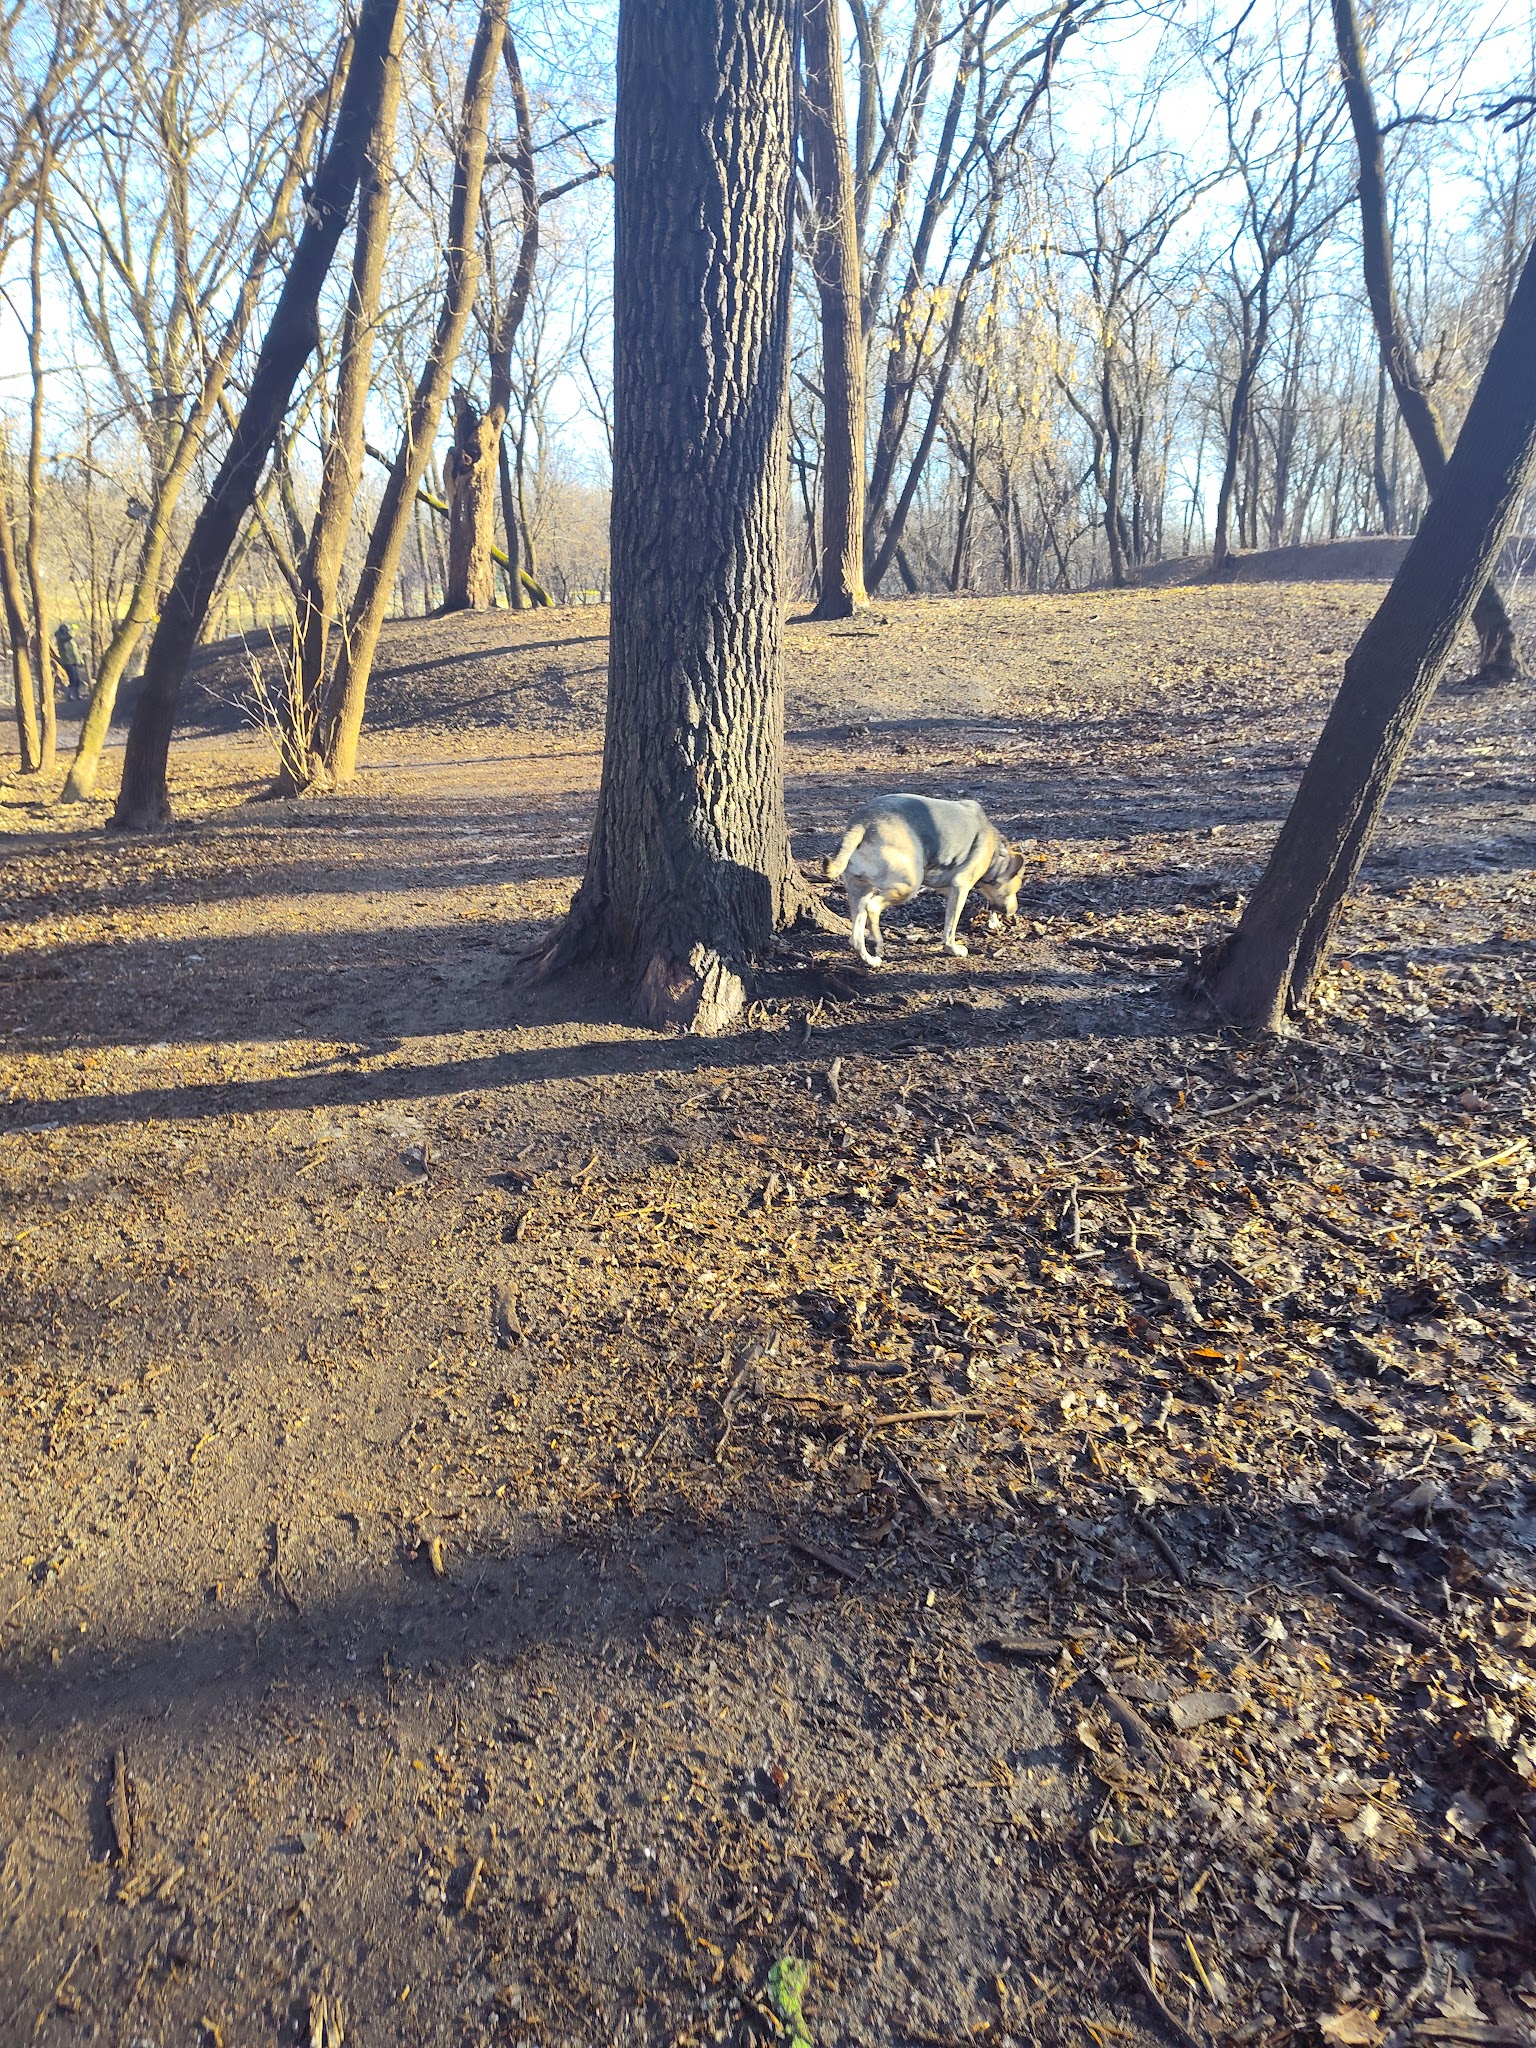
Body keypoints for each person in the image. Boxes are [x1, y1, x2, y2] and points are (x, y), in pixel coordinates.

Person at [54, 622, 88, 703]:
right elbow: (70, 636)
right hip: (67, 662)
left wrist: (79, 659)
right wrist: (74, 629)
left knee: (77, 679)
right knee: (72, 679)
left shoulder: (69, 640)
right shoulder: (61, 638)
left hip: (74, 661)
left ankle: (77, 694)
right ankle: (69, 695)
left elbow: (74, 651)